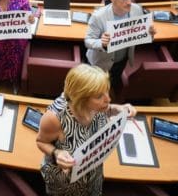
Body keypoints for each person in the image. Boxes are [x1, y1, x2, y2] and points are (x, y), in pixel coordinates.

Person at [37, 64, 136, 195]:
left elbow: (106, 108)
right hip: (65, 183)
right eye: (99, 96)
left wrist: (117, 109)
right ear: (80, 98)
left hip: (93, 172)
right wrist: (57, 152)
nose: (108, 99)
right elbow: (41, 142)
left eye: (107, 91)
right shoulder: (54, 118)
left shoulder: (97, 105)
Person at [85, 0, 156, 91]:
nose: (129, 2)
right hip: (101, 62)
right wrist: (101, 43)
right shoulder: (98, 16)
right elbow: (88, 41)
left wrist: (150, 34)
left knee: (114, 80)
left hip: (122, 59)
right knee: (96, 88)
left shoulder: (137, 9)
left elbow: (140, 35)